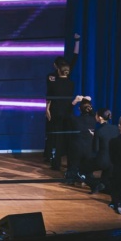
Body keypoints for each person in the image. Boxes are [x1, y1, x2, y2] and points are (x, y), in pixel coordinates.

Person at [44, 34, 80, 162]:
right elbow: (75, 57)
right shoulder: (70, 82)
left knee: (53, 133)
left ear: (56, 66)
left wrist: (47, 109)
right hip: (66, 110)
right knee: (61, 133)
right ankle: (58, 155)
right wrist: (77, 41)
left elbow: (49, 95)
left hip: (55, 110)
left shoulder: (52, 78)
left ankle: (52, 155)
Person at [87, 108, 119, 193]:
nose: (95, 116)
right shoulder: (116, 128)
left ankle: (95, 185)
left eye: (96, 115)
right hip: (113, 161)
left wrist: (94, 137)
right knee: (105, 179)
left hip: (102, 161)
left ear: (100, 117)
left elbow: (96, 149)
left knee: (83, 169)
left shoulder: (99, 131)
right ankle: (103, 186)